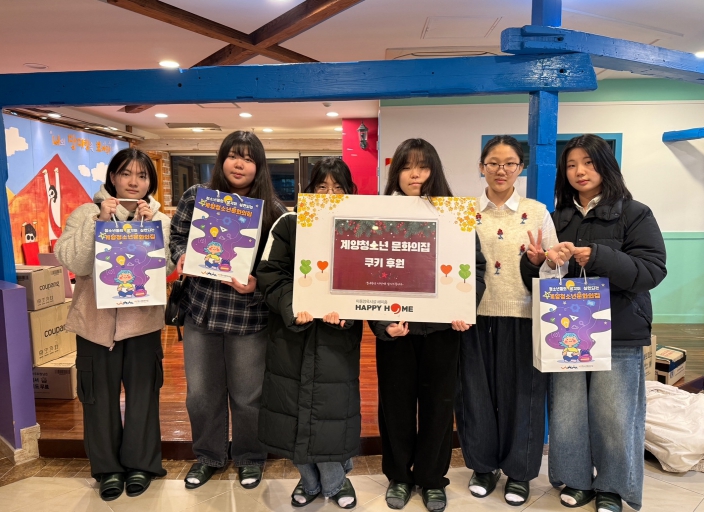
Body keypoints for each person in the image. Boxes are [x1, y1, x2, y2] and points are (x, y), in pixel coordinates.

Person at [538, 134, 666, 512]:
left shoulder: (635, 213)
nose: (580, 171)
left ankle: (612, 487)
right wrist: (541, 261)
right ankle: (575, 480)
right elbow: (542, 278)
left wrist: (597, 256)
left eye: (589, 163)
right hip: (565, 332)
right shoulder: (556, 218)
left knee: (614, 414)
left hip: (619, 331)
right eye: (572, 164)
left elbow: (651, 271)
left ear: (606, 166)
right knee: (567, 412)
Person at [369, 138, 486, 512]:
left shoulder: (455, 216)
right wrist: (382, 324)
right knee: (395, 409)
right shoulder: (378, 216)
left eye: (422, 166)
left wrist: (464, 307)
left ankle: (432, 479)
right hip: (395, 333)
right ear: (396, 173)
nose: (414, 174)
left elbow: (476, 269)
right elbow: (366, 276)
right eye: (406, 166)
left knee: (438, 407)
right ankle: (399, 477)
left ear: (434, 171)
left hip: (441, 333)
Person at [169, 131, 288, 490]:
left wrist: (257, 284)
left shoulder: (274, 211)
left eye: (249, 159)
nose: (240, 164)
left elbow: (281, 267)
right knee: (200, 394)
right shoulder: (197, 197)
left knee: (249, 396)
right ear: (222, 160)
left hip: (248, 317)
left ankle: (250, 457)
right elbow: (177, 236)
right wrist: (182, 257)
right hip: (201, 312)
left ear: (259, 166)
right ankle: (209, 455)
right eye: (234, 156)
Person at [55, 148, 174, 501]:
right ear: (112, 177)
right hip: (96, 325)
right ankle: (107, 468)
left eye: (142, 175)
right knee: (98, 399)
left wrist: (151, 232)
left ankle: (141, 464)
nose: (134, 182)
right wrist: (100, 224)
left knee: (143, 397)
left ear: (150, 182)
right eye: (126, 173)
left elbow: (165, 271)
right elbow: (75, 263)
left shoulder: (159, 219)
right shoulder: (86, 213)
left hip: (142, 325)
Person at [454, 135, 556, 506]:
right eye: (493, 163)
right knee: (474, 396)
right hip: (472, 317)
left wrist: (540, 261)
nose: (501, 170)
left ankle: (519, 473)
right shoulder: (462, 211)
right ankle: (483, 467)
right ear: (481, 166)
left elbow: (555, 271)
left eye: (510, 163)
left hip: (523, 315)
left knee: (523, 398)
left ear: (521, 168)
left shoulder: (537, 212)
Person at [257, 158, 362, 509]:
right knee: (292, 410)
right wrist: (293, 307)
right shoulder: (289, 224)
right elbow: (270, 274)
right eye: (322, 187)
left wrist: (346, 312)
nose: (329, 195)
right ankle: (309, 480)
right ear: (309, 191)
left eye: (338, 188)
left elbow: (367, 281)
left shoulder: (361, 228)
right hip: (292, 335)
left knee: (332, 410)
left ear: (349, 193)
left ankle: (335, 481)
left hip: (336, 337)